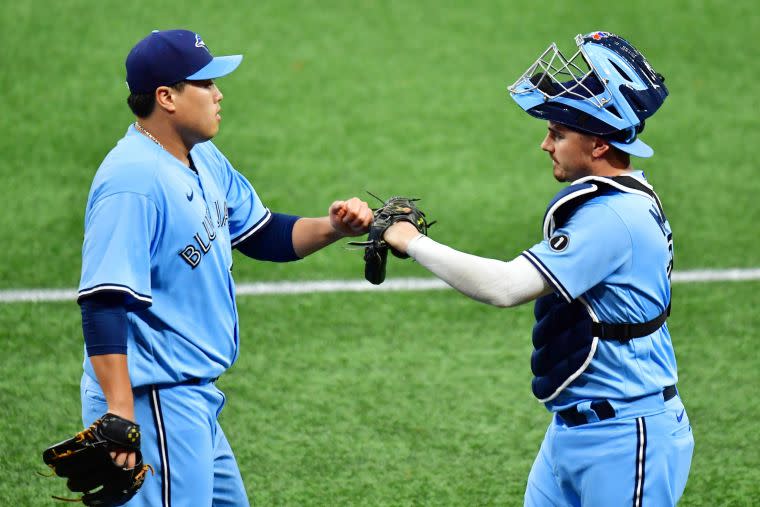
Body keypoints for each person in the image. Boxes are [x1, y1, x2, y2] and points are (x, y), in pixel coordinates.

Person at [383, 31, 694, 506]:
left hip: (627, 439)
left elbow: (505, 287)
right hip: (572, 432)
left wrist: (410, 240)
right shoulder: (621, 198)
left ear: (597, 145)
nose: (545, 144)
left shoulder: (613, 218)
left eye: (559, 133)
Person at [76, 29, 373, 506]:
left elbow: (262, 234)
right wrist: (120, 412)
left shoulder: (201, 155)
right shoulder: (132, 182)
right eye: (206, 83)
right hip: (154, 403)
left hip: (194, 402)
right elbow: (103, 301)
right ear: (166, 97)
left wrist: (335, 227)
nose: (219, 94)